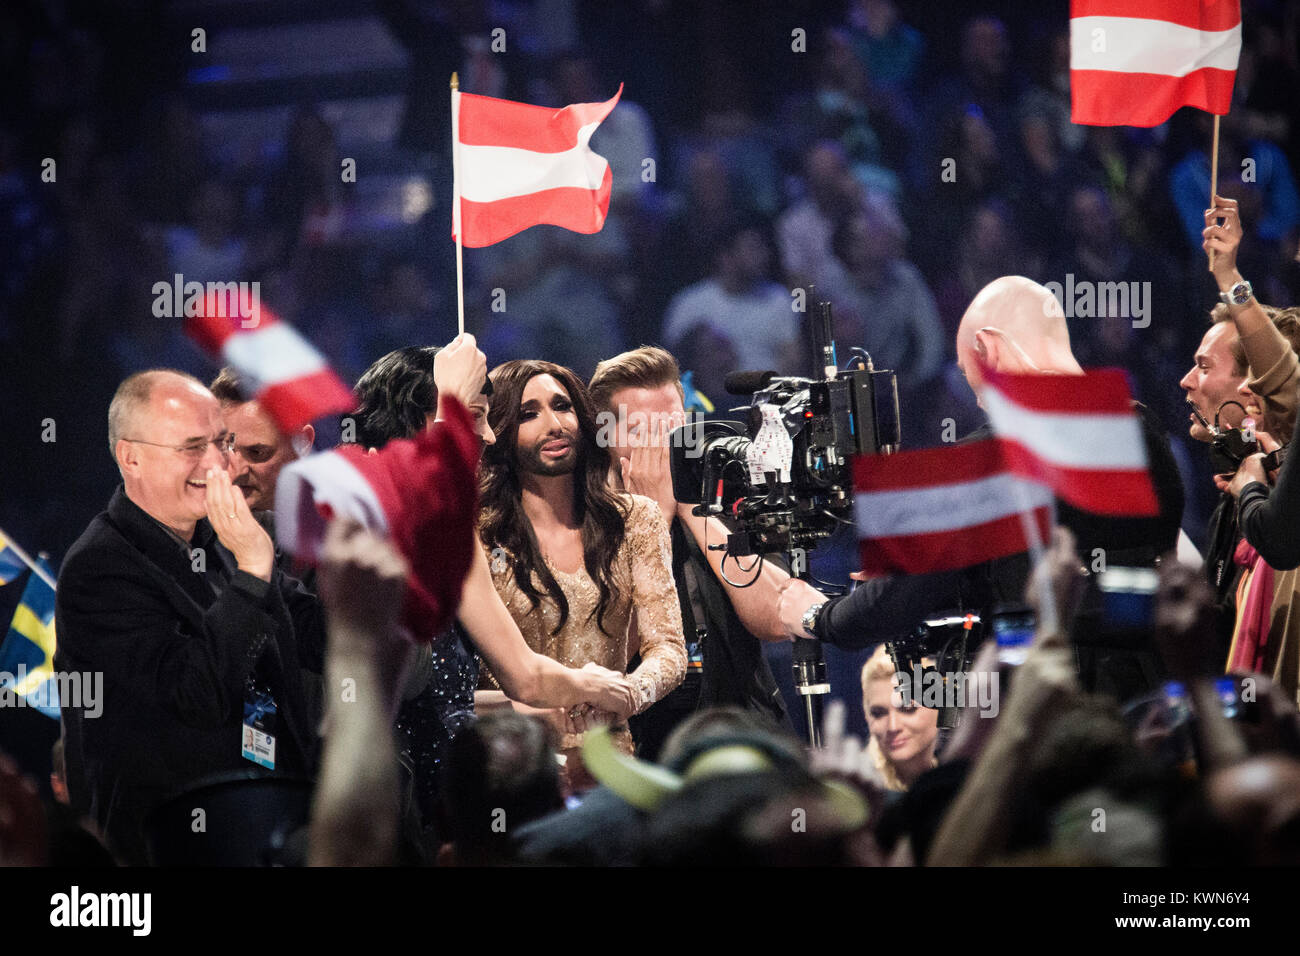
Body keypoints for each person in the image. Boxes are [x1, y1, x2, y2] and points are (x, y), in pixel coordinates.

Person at [776, 276, 1184, 700]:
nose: (979, 404)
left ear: (988, 348)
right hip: (1156, 700)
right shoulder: (1146, 429)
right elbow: (1092, 574)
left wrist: (816, 615)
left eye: (975, 383)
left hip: (1057, 715)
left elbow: (895, 602)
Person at [346, 337, 636, 841]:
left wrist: (530, 705)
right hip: (397, 790)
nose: (486, 433)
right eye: (476, 415)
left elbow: (443, 694)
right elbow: (523, 675)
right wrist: (596, 683)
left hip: (427, 781)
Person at [55, 369, 326, 864]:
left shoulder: (215, 539)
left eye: (221, 442)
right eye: (192, 447)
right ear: (130, 457)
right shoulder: (100, 567)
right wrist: (251, 571)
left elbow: (317, 636)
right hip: (171, 847)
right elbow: (196, 694)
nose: (219, 463)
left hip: (267, 825)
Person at [478, 358, 687, 787]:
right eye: (528, 413)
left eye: (563, 406)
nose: (554, 424)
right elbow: (455, 687)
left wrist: (627, 695)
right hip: (509, 765)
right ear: (498, 429)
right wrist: (527, 709)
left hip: (609, 762)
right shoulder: (477, 533)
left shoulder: (635, 520)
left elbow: (668, 649)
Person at [589, 346, 792, 759]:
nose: (666, 446)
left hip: (738, 729)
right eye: (645, 433)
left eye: (674, 429)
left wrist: (688, 505)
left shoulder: (730, 492)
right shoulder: (583, 518)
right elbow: (597, 652)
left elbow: (774, 620)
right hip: (636, 738)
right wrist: (653, 523)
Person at [209, 367, 314, 515]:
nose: (237, 470)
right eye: (224, 448)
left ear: (303, 443)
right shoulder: (180, 525)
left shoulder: (340, 528)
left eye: (256, 452)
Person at [860, 645, 938, 791]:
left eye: (907, 709)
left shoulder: (967, 777)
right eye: (878, 713)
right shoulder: (861, 787)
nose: (893, 727)